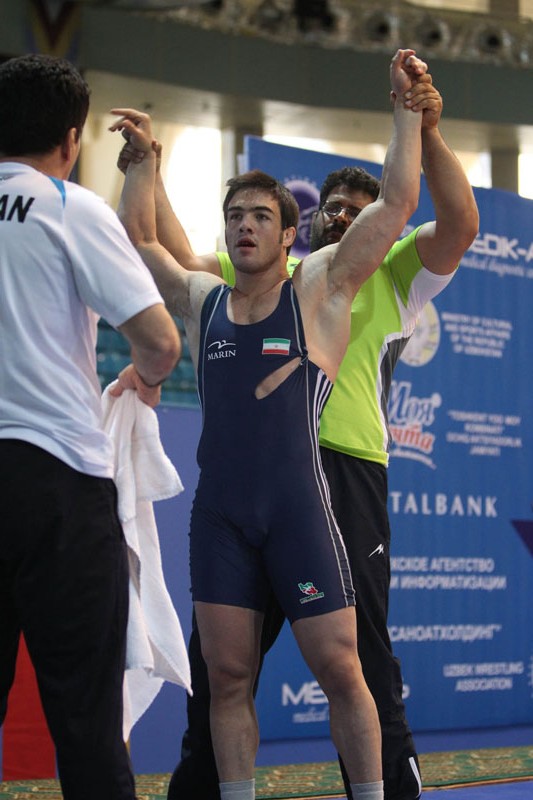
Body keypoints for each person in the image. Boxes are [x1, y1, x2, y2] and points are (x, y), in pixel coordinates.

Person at [117, 57, 479, 800]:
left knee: (351, 664)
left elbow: (418, 207)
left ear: (285, 231)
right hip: (232, 502)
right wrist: (145, 165)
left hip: (330, 480)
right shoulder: (231, 286)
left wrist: (411, 116)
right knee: (222, 672)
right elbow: (156, 250)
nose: (342, 216)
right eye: (236, 217)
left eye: (260, 217)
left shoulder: (352, 278)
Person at [0, 54, 181, 800]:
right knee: (86, 719)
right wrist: (146, 377)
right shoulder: (68, 206)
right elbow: (160, 341)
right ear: (72, 140)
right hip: (55, 480)